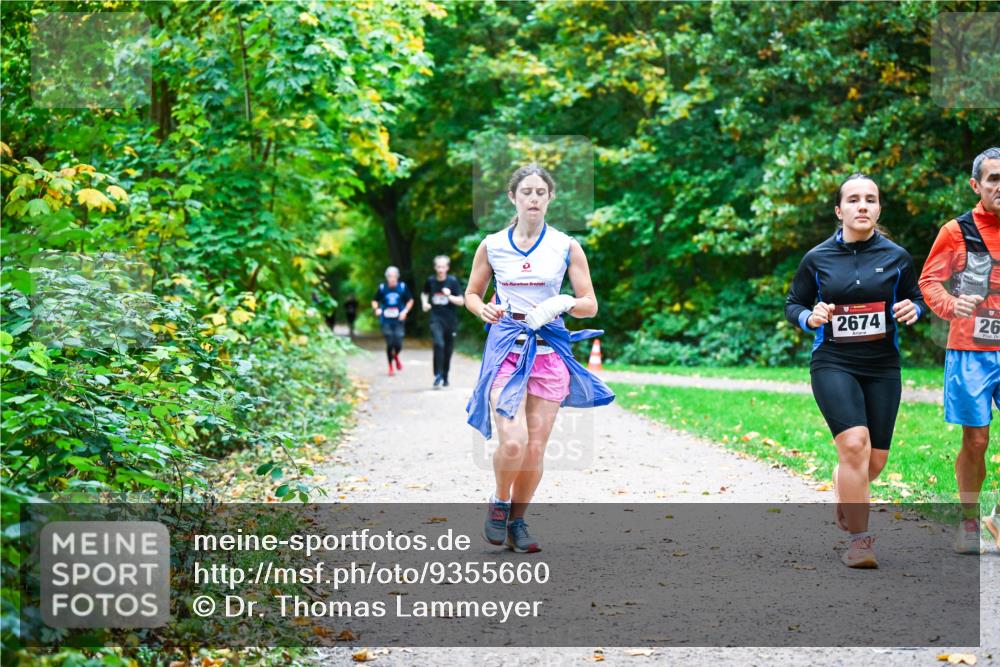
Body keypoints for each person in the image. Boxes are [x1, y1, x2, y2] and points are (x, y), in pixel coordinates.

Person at [465, 164, 615, 553]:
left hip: (549, 351)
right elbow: (472, 294)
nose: (533, 198)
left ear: (550, 198)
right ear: (512, 197)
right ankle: (500, 503)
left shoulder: (566, 246)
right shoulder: (492, 244)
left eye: (540, 192)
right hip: (507, 349)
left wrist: (560, 303)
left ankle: (518, 521)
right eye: (526, 191)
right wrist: (482, 309)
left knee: (534, 448)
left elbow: (589, 305)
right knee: (512, 443)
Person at [785, 173, 926, 568]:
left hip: (882, 365)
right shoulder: (817, 259)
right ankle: (860, 543)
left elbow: (916, 297)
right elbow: (794, 303)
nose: (862, 206)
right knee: (853, 446)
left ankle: (846, 486)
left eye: (870, 199)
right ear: (839, 209)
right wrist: (810, 317)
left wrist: (912, 309)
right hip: (833, 361)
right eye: (853, 200)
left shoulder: (897, 257)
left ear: (878, 208)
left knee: (872, 463)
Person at [918, 146, 1000, 554]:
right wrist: (952, 305)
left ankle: (997, 518)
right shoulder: (957, 231)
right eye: (994, 179)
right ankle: (969, 524)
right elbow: (929, 281)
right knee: (977, 441)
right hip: (972, 351)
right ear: (977, 185)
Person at [422, 255, 464, 388]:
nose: (440, 269)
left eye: (443, 267)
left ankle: (445, 375)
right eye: (438, 266)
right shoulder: (431, 281)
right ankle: (438, 375)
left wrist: (449, 296)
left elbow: (461, 301)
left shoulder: (452, 281)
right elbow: (424, 293)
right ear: (435, 267)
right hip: (436, 318)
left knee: (448, 349)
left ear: (447, 268)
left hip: (450, 321)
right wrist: (424, 303)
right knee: (438, 344)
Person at [372, 267, 413, 376]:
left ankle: (395, 356)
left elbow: (410, 300)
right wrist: (377, 309)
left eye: (394, 276)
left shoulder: (402, 287)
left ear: (397, 277)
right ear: (387, 277)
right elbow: (375, 301)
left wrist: (405, 311)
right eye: (390, 276)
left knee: (398, 344)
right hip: (386, 320)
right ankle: (390, 366)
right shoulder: (382, 288)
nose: (392, 278)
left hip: (399, 320)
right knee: (390, 343)